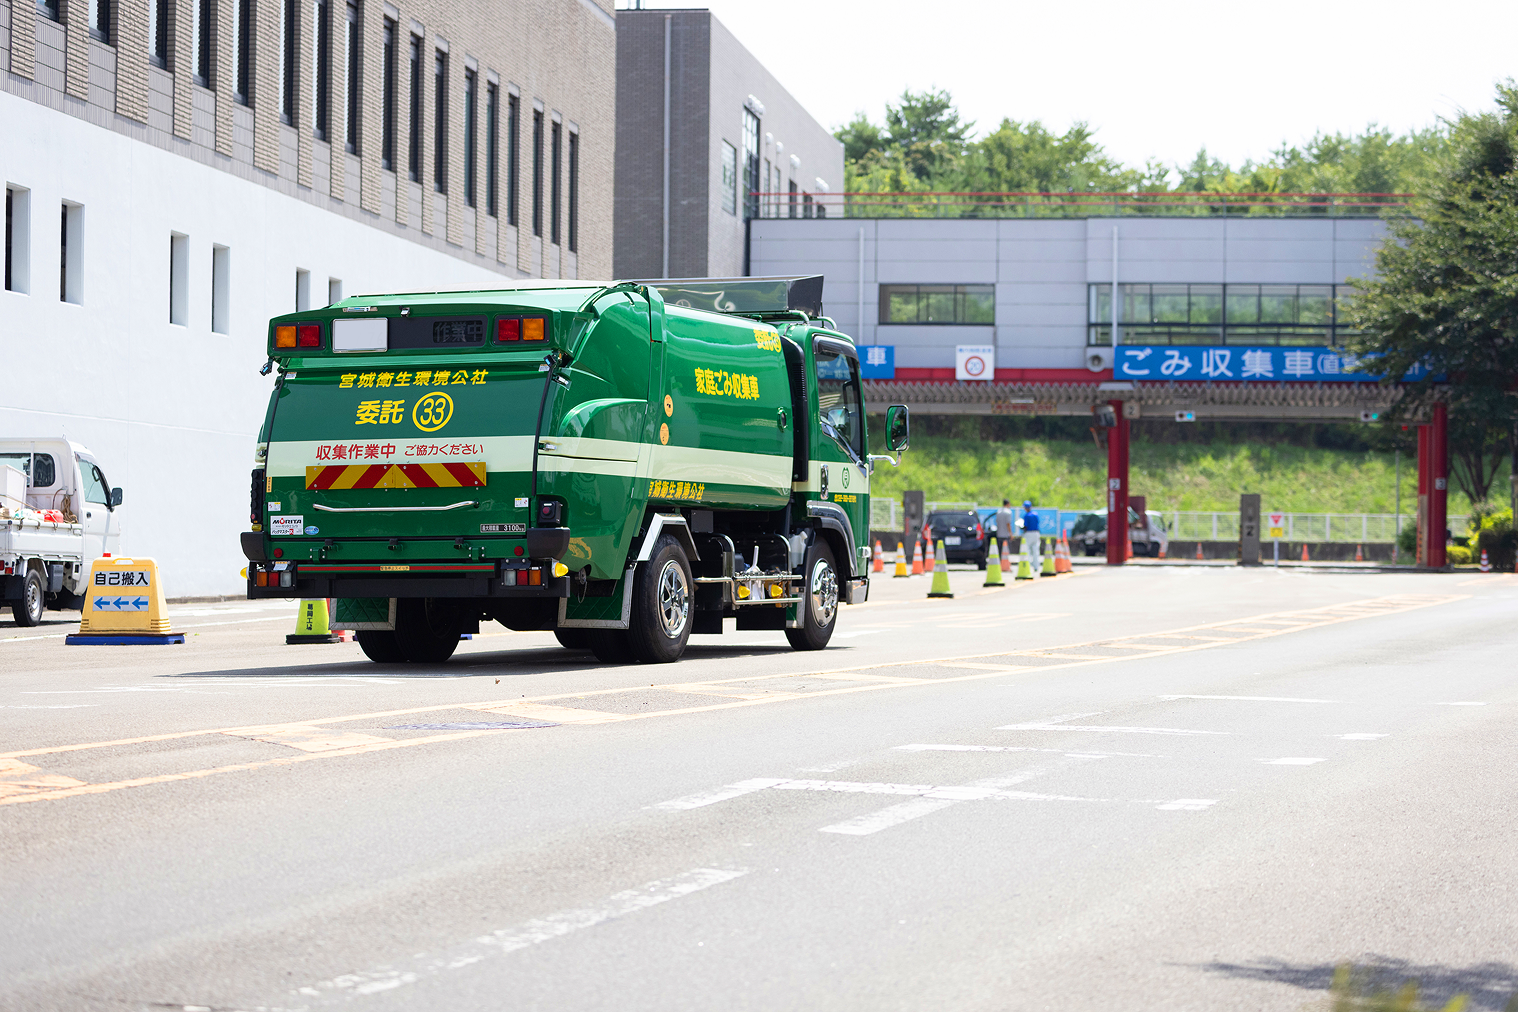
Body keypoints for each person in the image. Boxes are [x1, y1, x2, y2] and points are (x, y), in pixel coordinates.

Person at [1020, 500, 1042, 575]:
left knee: (1027, 550)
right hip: (1036, 533)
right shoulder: (1036, 514)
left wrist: (1021, 527)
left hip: (1029, 533)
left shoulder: (1027, 516)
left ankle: (1028, 565)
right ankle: (1036, 566)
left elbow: (1025, 526)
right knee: (1035, 550)